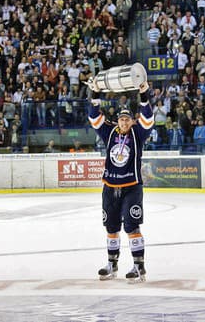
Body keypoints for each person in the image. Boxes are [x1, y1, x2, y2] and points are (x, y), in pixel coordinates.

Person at [88, 81, 154, 283]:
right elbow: (94, 116)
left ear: (132, 121)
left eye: (127, 120)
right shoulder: (109, 132)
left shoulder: (138, 134)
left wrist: (144, 95)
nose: (124, 123)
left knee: (132, 227)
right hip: (109, 187)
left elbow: (148, 119)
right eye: (121, 120)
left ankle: (138, 266)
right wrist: (95, 92)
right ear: (117, 121)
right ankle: (112, 264)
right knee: (111, 227)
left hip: (132, 187)